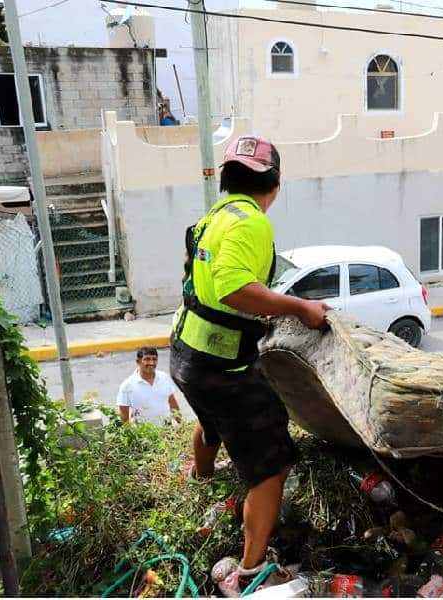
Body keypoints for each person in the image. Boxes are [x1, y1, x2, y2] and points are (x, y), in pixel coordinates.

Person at [169, 135, 330, 595]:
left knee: (210, 420)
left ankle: (200, 480)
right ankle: (250, 571)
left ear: (226, 179)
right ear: (274, 185)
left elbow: (195, 272)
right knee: (271, 465)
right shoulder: (253, 223)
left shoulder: (213, 218)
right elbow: (232, 288)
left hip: (186, 354)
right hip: (222, 365)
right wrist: (299, 308)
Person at [117, 347, 181, 425]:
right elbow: (124, 416)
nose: (151, 363)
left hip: (167, 430)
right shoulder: (127, 385)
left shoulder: (164, 377)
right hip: (144, 433)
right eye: (147, 359)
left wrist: (180, 424)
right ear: (138, 362)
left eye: (154, 359)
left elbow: (172, 403)